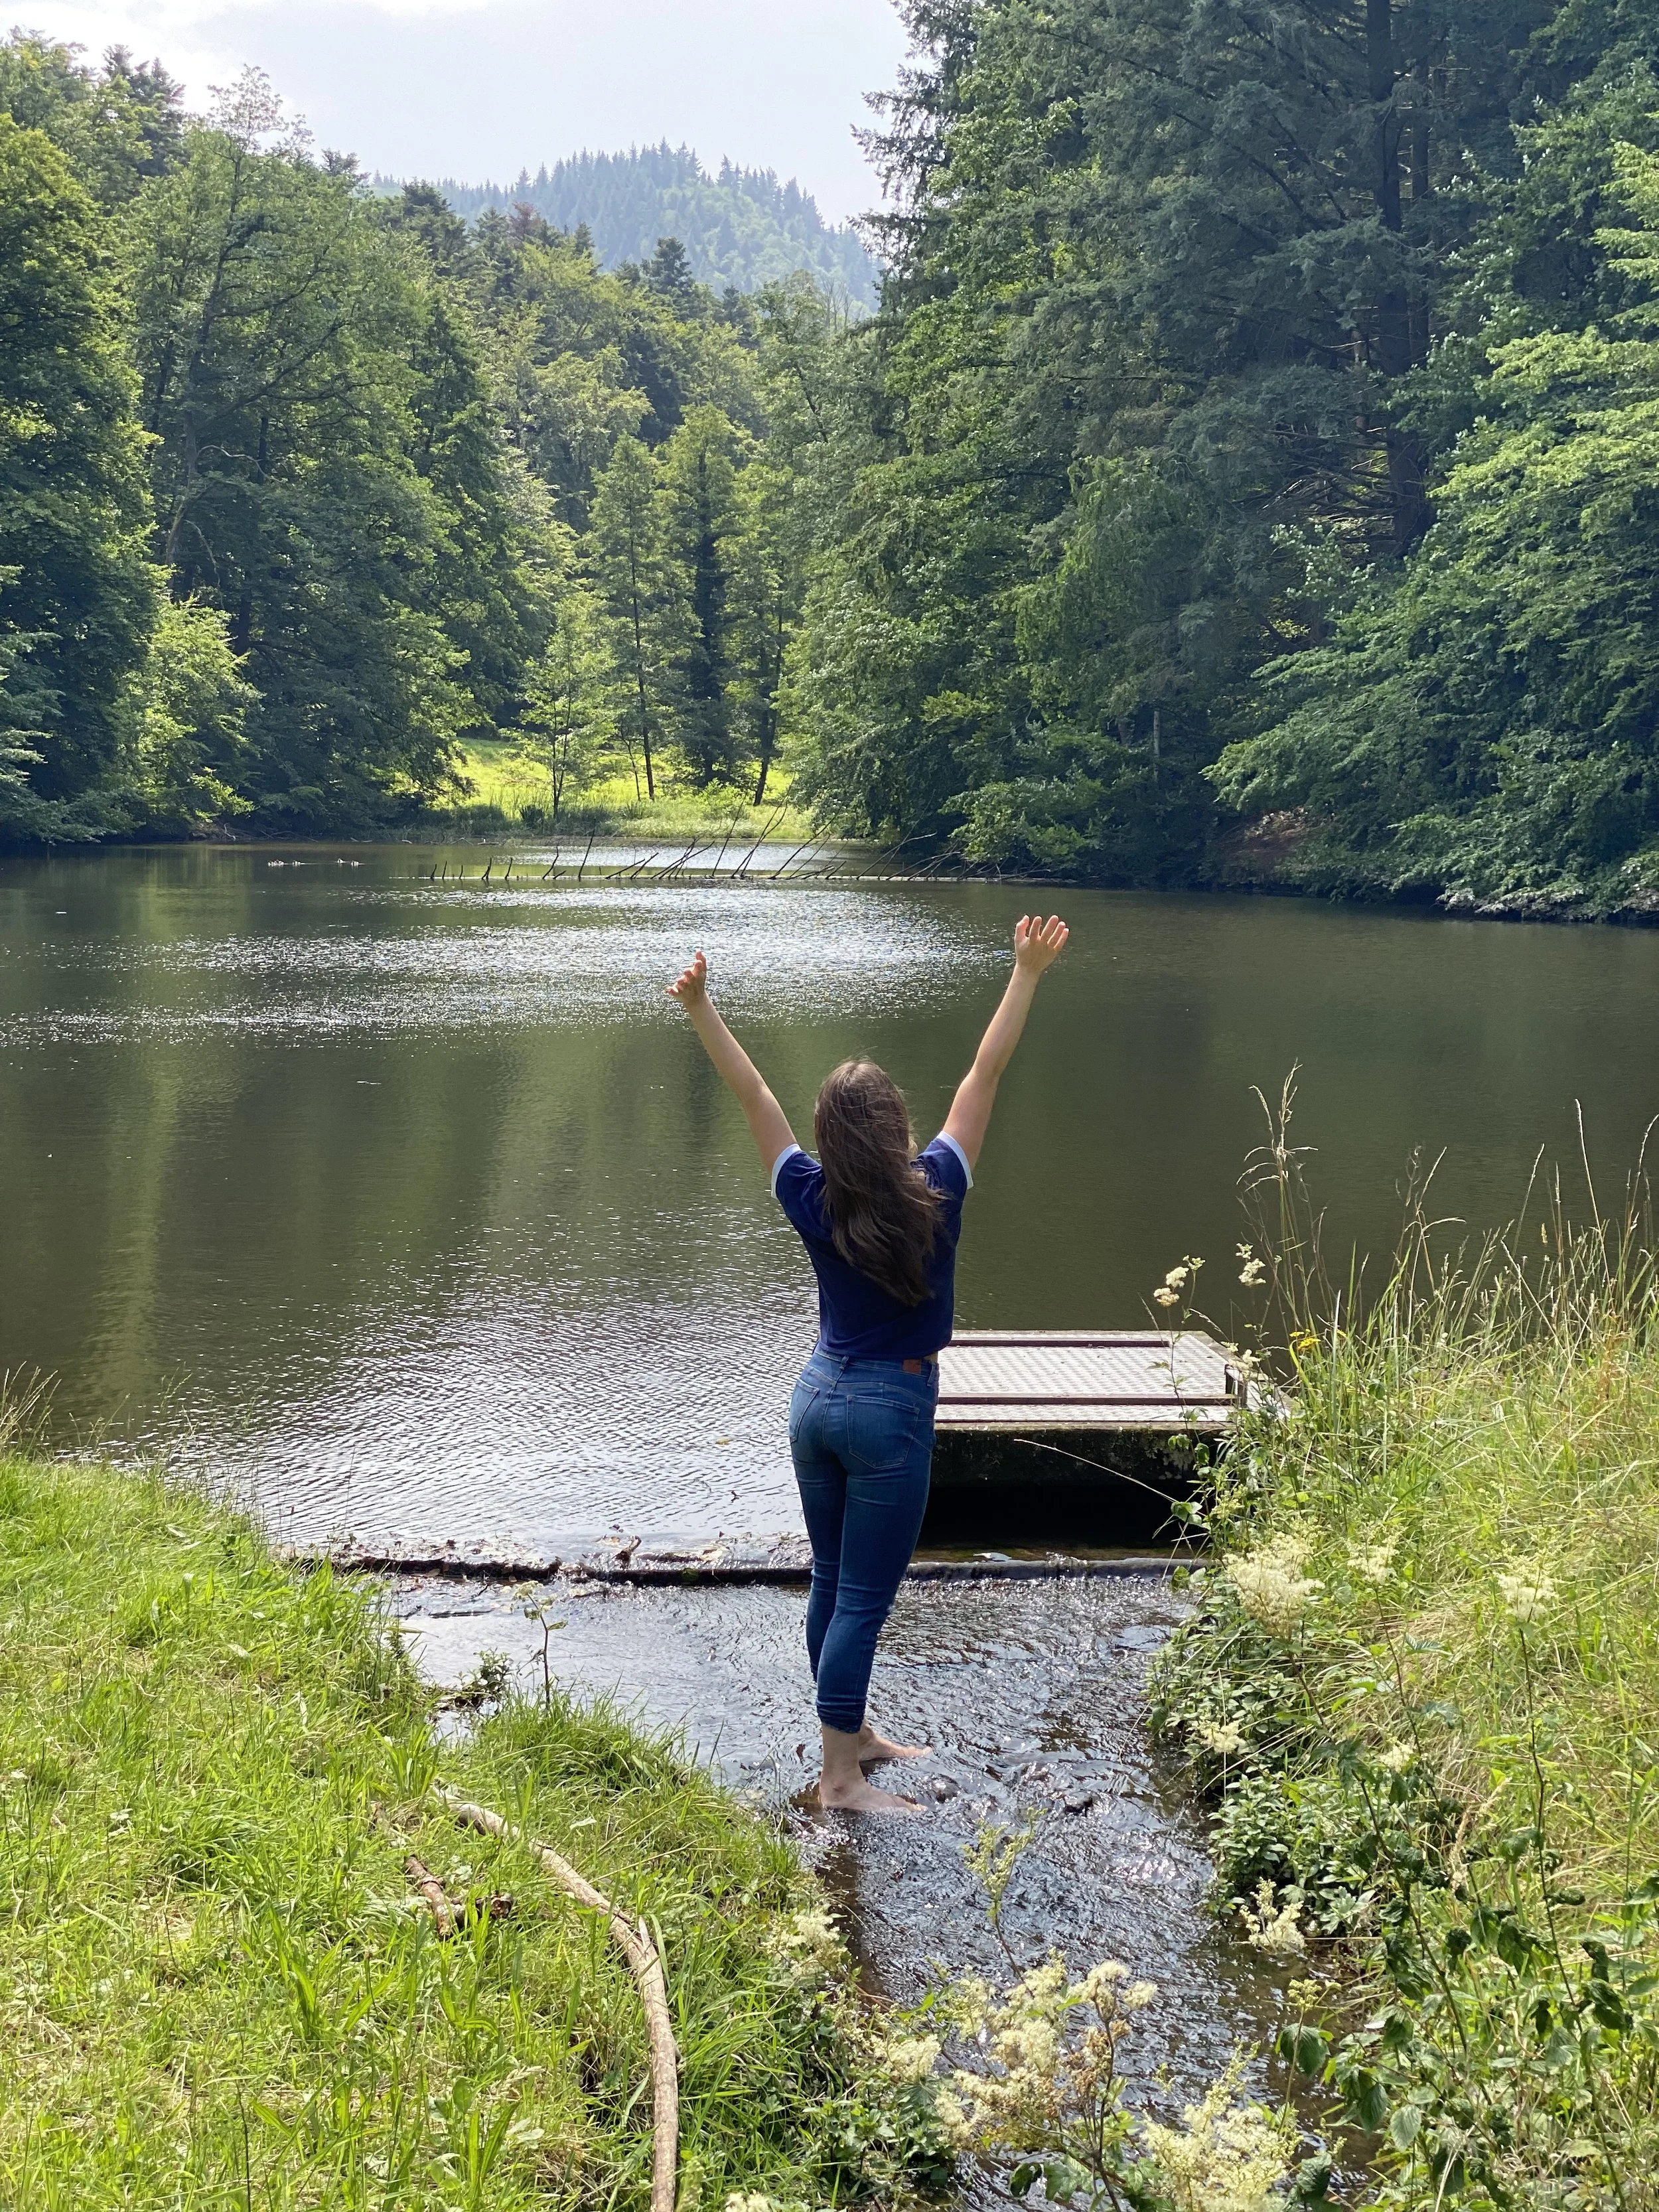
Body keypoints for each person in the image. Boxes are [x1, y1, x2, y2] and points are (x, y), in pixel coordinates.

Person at [668, 913, 1070, 1812]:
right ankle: (839, 1779)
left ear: (831, 1136)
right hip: (890, 1415)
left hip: (815, 1402)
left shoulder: (812, 1195)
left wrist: (701, 1008)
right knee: (861, 1600)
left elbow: (755, 1097)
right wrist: (1026, 974)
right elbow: (984, 1072)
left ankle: (853, 1737)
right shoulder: (939, 1185)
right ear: (895, 1127)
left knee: (832, 1581)